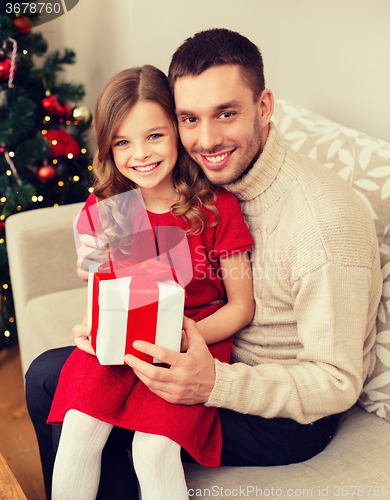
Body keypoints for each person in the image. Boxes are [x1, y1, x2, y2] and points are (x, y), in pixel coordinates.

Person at [26, 28, 383, 499]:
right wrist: (106, 316)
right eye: (189, 119)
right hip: (191, 349)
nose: (207, 139)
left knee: (112, 432)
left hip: (279, 412)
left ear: (264, 107)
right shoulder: (205, 178)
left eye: (227, 113)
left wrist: (211, 382)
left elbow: (335, 383)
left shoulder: (325, 223)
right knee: (47, 376)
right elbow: (141, 269)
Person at [45, 64, 254, 500]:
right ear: (108, 146)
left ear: (177, 131)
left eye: (154, 135)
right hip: (122, 334)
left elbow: (241, 306)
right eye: (123, 142)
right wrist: (94, 320)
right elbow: (94, 275)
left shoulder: (218, 208)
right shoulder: (107, 204)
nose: (140, 153)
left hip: (190, 339)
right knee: (78, 431)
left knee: (155, 451)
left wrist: (182, 336)